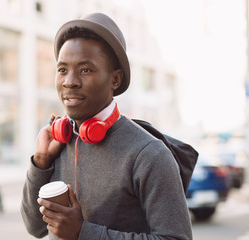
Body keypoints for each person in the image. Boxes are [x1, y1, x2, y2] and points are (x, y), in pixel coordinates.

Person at [21, 13, 192, 240]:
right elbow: (35, 227)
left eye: (85, 70)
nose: (69, 81)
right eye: (62, 70)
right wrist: (40, 163)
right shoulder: (58, 142)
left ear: (115, 79)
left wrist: (83, 232)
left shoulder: (149, 154)